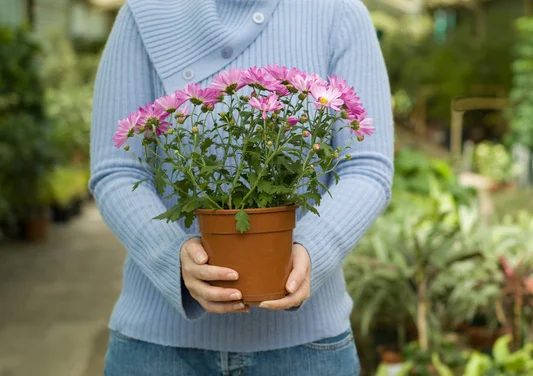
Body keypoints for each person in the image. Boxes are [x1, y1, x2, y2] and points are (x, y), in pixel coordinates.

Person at [90, 0, 393, 375]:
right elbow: (115, 170)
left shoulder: (338, 12)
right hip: (159, 350)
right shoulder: (145, 13)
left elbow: (367, 167)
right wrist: (173, 256)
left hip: (306, 350)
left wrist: (314, 249)